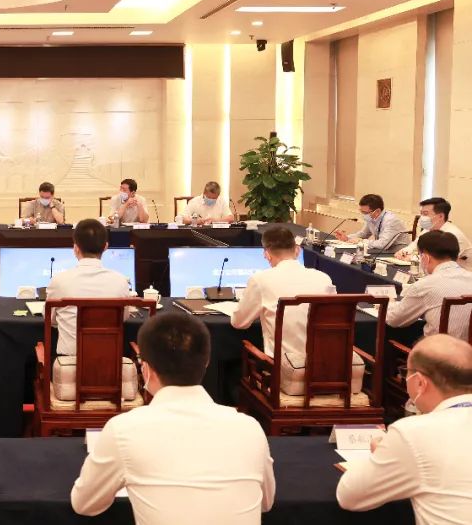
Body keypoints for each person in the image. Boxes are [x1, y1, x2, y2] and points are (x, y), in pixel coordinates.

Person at [71, 314, 275, 522]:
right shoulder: (250, 428)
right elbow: (266, 503)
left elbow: (84, 503)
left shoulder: (123, 430)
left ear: (146, 369)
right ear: (206, 363)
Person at [336, 333, 472, 523]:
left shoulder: (413, 433)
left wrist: (382, 452)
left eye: (406, 372)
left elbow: (349, 496)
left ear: (420, 382)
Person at [231, 226, 335, 381]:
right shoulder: (324, 278)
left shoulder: (260, 280)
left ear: (267, 254)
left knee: (233, 373)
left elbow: (239, 323)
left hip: (282, 370)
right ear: (297, 250)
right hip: (326, 369)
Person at [46, 218, 131, 355]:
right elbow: (123, 318)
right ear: (105, 247)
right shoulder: (121, 281)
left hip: (69, 361)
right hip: (110, 361)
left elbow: (49, 318)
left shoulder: (59, 280)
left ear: (75, 248)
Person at [387, 231, 472, 341]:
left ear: (425, 258)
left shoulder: (425, 286)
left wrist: (389, 304)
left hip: (439, 349)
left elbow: (394, 320)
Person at [397, 197, 471, 261]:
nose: (421, 217)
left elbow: (441, 261)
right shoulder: (428, 229)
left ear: (441, 216)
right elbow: (414, 246)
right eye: (421, 213)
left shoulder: (454, 235)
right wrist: (403, 252)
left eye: (425, 214)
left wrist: (412, 258)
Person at [334, 194, 411, 252]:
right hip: (381, 251)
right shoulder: (371, 217)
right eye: (361, 212)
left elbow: (382, 244)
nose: (363, 215)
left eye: (365, 212)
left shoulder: (391, 221)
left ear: (377, 211)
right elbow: (363, 234)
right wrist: (348, 238)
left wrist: (362, 241)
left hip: (397, 252)